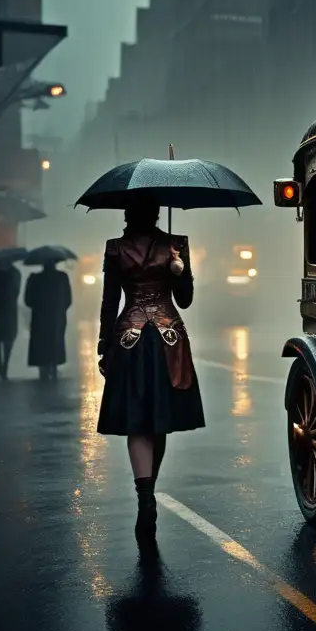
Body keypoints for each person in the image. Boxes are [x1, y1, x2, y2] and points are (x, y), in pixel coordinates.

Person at [96, 197, 204, 542]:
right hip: (169, 339)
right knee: (159, 421)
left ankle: (145, 497)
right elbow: (184, 299)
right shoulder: (177, 245)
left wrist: (104, 344)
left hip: (128, 338)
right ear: (157, 214)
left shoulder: (115, 248)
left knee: (136, 421)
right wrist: (180, 270)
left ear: (127, 215)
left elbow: (110, 301)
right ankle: (149, 491)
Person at [26, 260, 72, 380]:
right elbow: (68, 299)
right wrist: (60, 309)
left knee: (40, 341)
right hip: (57, 315)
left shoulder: (35, 278)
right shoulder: (62, 277)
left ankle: (43, 367)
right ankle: (54, 364)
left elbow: (28, 300)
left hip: (39, 316)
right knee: (55, 340)